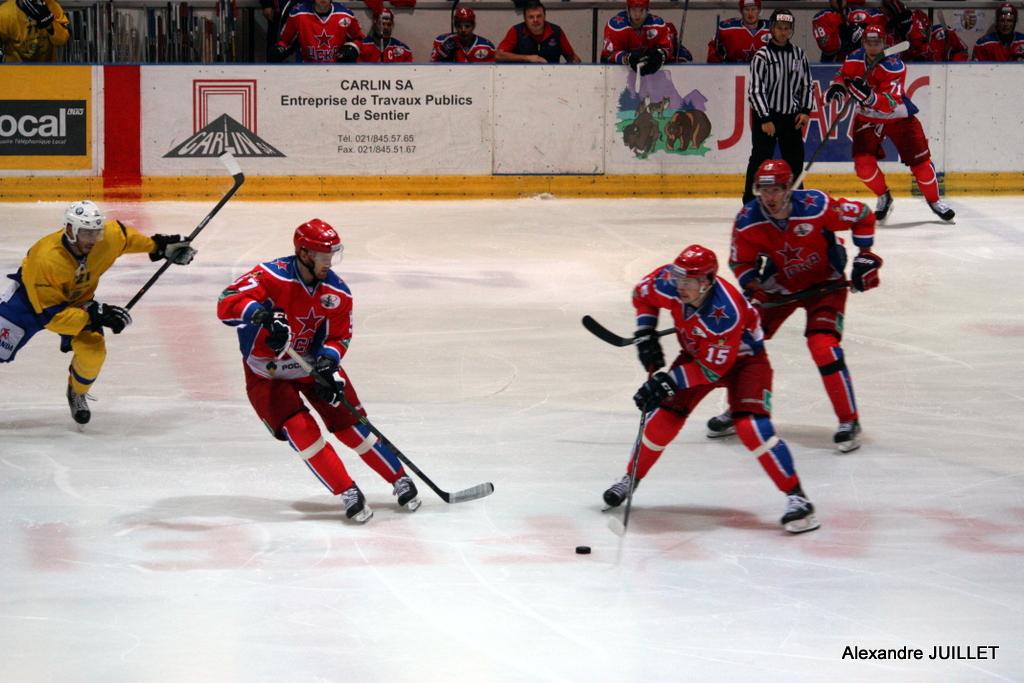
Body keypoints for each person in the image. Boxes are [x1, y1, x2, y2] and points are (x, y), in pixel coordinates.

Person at [603, 245, 819, 534]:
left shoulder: (725, 312)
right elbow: (642, 296)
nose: (681, 286)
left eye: (689, 282)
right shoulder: (670, 283)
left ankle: (798, 499)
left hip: (745, 363)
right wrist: (645, 333)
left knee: (752, 428)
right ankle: (631, 478)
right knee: (662, 421)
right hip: (698, 353)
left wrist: (668, 380)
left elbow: (712, 369)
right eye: (680, 278)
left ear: (707, 282)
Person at [216, 219, 421, 524]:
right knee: (302, 431)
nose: (330, 263)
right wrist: (262, 315)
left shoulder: (338, 292)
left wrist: (327, 362)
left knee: (351, 427)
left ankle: (398, 478)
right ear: (303, 253)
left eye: (332, 256)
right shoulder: (270, 275)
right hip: (266, 373)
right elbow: (226, 302)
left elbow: (340, 337)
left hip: (310, 366)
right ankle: (347, 490)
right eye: (324, 256)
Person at [705, 159, 881, 454]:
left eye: (776, 190)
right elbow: (741, 261)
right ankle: (741, 409)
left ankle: (849, 421)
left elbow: (863, 215)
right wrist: (755, 289)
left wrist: (865, 256)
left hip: (826, 284)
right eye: (764, 190)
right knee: (742, 342)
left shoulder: (816, 205)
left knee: (823, 346)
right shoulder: (749, 220)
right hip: (781, 284)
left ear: (789, 188)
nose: (770, 197)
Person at [0, 201, 195, 424]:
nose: (92, 240)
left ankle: (77, 391)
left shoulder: (106, 238)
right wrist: (96, 314)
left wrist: (159, 247)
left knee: (93, 351)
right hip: (28, 304)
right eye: (85, 233)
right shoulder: (45, 259)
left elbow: (124, 238)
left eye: (95, 232)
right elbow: (52, 318)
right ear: (70, 230)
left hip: (78, 303)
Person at [825, 25, 955, 222]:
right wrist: (837, 87)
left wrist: (869, 98)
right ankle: (883, 196)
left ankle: (935, 201)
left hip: (899, 117)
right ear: (863, 43)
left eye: (877, 42)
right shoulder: (853, 59)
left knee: (922, 165)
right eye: (869, 42)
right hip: (867, 118)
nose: (873, 46)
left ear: (884, 42)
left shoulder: (894, 66)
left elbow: (889, 103)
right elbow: (843, 76)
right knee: (863, 166)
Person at [743, 9, 811, 205]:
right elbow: (756, 90)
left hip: (791, 118)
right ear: (772, 28)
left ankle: (796, 201)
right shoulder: (762, 56)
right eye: (780, 28)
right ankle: (750, 202)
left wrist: (805, 111)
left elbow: (806, 84)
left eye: (787, 29)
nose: (783, 32)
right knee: (759, 160)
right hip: (768, 118)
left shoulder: (799, 55)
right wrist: (765, 118)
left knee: (795, 163)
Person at [270, 0, 363, 63]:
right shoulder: (298, 15)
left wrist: (353, 47)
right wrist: (280, 49)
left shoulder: (345, 15)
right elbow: (285, 42)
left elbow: (359, 39)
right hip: (306, 71)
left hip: (337, 70)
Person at [600, 0, 674, 76]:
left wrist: (660, 55)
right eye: (634, 10)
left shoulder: (657, 24)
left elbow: (669, 49)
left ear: (647, 9)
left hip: (651, 77)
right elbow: (608, 55)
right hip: (617, 75)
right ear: (628, 9)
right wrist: (627, 58)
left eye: (642, 10)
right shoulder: (616, 26)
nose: (637, 15)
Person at [496, 0, 580, 64]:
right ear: (525, 19)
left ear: (544, 17)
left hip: (552, 77)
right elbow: (499, 55)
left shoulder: (556, 31)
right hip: (521, 77)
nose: (535, 20)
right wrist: (527, 58)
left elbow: (572, 57)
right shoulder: (516, 31)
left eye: (539, 16)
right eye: (531, 17)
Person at [812, 0, 883, 64]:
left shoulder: (860, 13)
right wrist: (842, 35)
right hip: (834, 66)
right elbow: (829, 48)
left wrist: (861, 33)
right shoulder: (822, 17)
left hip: (860, 64)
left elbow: (875, 40)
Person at [0, 0, 69, 62]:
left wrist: (49, 25)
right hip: (14, 69)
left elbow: (61, 41)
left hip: (47, 68)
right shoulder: (5, 13)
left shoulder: (52, 6)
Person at [706, 0, 770, 64]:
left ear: (759, 10)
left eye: (753, 9)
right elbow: (713, 52)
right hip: (733, 71)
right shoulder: (726, 28)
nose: (750, 13)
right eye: (746, 9)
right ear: (741, 11)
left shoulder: (771, 29)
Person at [430, 6, 496, 63]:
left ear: (473, 26)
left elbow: (493, 71)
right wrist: (442, 56)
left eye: (467, 26)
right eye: (459, 26)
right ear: (455, 26)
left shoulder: (487, 46)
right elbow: (433, 69)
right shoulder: (441, 41)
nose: (463, 30)